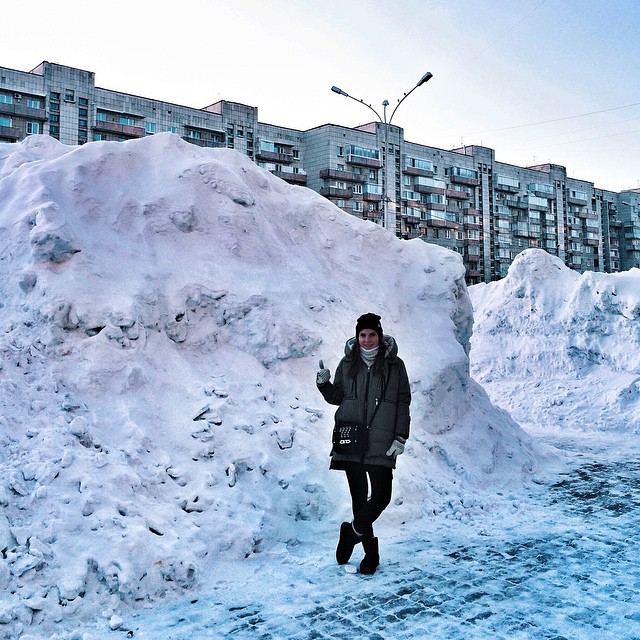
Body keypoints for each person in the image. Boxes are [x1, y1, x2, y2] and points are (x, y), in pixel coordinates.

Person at [316, 312, 411, 575]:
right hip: (352, 440)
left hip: (381, 441)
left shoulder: (395, 366)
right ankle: (371, 554)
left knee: (381, 496)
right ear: (357, 338)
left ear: (380, 336)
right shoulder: (348, 364)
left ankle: (351, 533)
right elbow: (337, 397)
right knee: (360, 500)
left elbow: (403, 402)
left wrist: (401, 436)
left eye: (371, 335)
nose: (367, 340)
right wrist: (324, 385)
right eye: (362, 335)